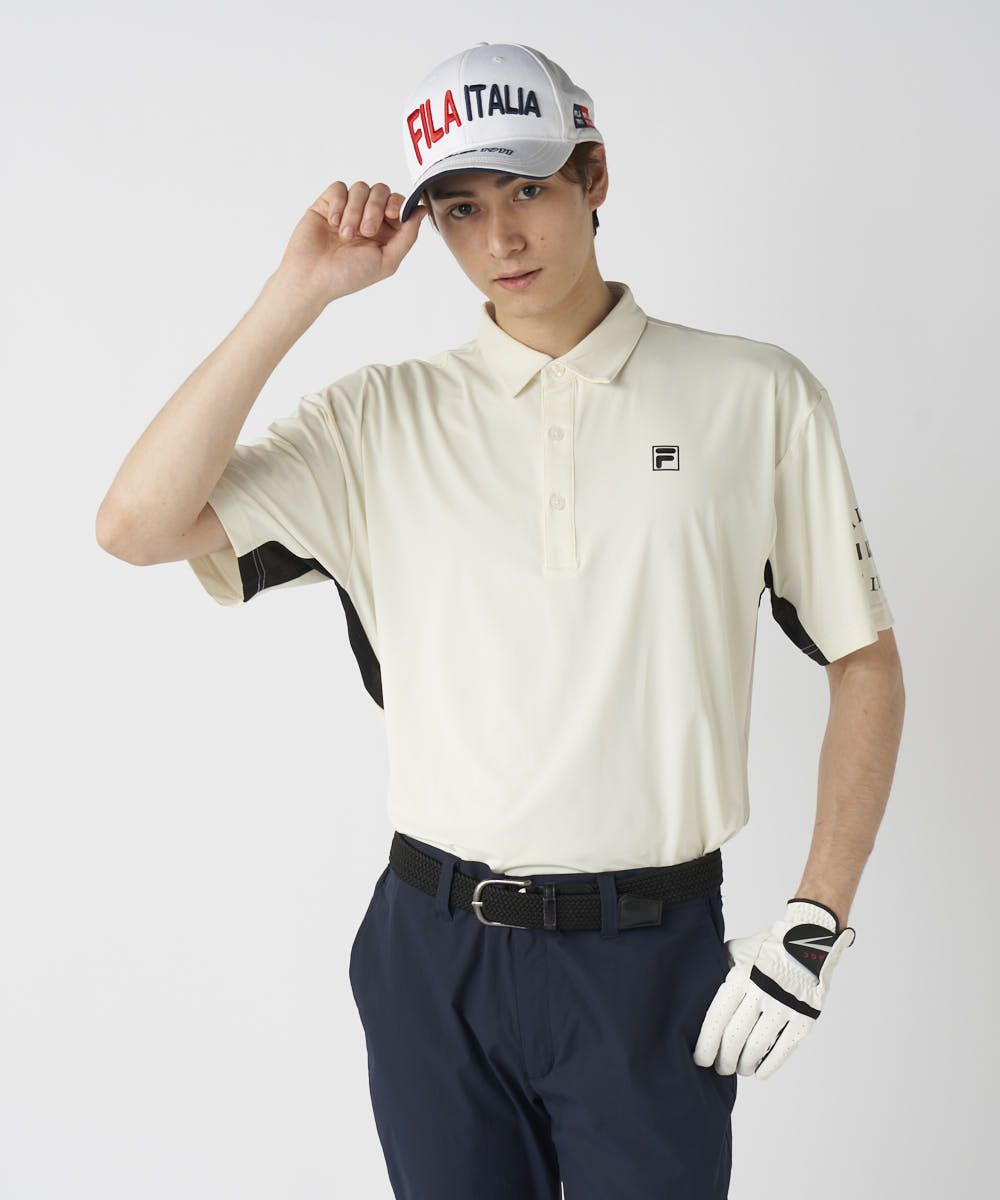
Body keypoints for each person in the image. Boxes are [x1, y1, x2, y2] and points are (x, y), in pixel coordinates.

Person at [96, 40, 905, 1200]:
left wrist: (814, 921)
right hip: (433, 956)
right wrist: (297, 293)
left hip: (647, 955)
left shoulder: (754, 396)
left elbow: (863, 662)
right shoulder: (378, 420)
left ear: (594, 175)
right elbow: (134, 523)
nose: (502, 240)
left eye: (528, 189)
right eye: (462, 209)